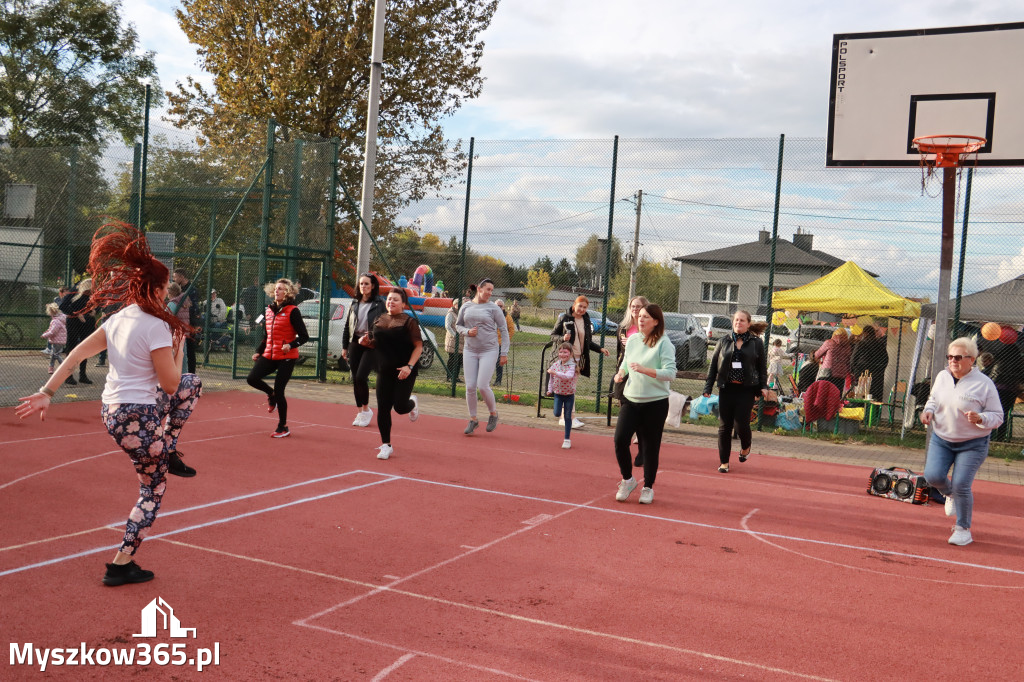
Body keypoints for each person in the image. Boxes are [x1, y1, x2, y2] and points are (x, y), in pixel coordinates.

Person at [16, 220, 202, 586]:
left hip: (113, 414)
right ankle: (120, 564)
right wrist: (178, 347)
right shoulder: (158, 326)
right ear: (162, 288)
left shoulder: (118, 318)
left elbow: (73, 355)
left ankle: (170, 450)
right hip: (142, 417)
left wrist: (47, 392)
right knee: (154, 487)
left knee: (183, 397)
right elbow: (170, 382)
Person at [921, 337, 1003, 546]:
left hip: (973, 443)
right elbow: (934, 398)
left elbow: (998, 416)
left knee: (961, 484)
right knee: (932, 476)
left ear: (972, 360)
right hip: (942, 438)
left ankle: (963, 529)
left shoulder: (984, 384)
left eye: (958, 357)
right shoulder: (942, 376)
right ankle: (950, 495)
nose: (952, 361)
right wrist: (928, 411)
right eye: (950, 357)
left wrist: (981, 418)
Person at [612, 303, 676, 505]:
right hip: (631, 399)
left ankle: (648, 487)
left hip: (655, 403)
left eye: (646, 317)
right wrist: (621, 373)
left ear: (656, 321)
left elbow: (670, 374)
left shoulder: (664, 343)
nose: (641, 319)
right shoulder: (632, 339)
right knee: (620, 439)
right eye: (639, 316)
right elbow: (626, 361)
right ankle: (628, 479)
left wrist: (644, 369)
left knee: (650, 447)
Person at [703, 310, 769, 473]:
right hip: (726, 388)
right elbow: (713, 367)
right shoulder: (723, 341)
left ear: (748, 323)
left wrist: (763, 386)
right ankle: (724, 462)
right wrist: (708, 387)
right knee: (724, 426)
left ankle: (746, 446)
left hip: (746, 389)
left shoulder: (756, 343)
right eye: (736, 320)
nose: (738, 323)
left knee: (741, 425)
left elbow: (762, 368)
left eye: (742, 321)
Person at [363, 287, 422, 460]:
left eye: (395, 299)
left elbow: (419, 347)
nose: (391, 302)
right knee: (383, 408)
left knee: (400, 407)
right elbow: (375, 342)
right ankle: (386, 445)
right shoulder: (379, 319)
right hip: (384, 369)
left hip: (404, 370)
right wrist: (366, 342)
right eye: (389, 299)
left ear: (403, 304)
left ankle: (412, 403)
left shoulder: (409, 322)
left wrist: (409, 367)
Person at [247, 278, 309, 438]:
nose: (277, 291)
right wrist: (259, 351)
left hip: (287, 356)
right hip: (270, 353)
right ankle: (270, 394)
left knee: (280, 390)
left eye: (281, 289)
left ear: (287, 293)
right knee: (252, 378)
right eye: (276, 288)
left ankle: (283, 426)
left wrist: (291, 344)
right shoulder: (268, 310)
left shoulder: (293, 311)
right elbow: (267, 335)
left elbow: (304, 336)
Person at [455, 278, 509, 434]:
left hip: (489, 350)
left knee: (482, 385)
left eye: (492, 290)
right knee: (470, 386)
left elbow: (503, 330)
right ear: (479, 289)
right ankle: (473, 419)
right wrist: (467, 332)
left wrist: (503, 352)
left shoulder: (494, 308)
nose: (490, 293)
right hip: (470, 350)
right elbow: (458, 325)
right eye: (488, 289)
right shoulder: (465, 306)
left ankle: (493, 413)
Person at [550, 295, 611, 429]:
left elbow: (587, 341)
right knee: (568, 388)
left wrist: (600, 349)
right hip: (566, 359)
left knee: (570, 388)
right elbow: (553, 335)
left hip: (579, 359)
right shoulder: (564, 318)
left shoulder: (585, 319)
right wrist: (562, 338)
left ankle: (565, 417)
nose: (582, 309)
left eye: (584, 307)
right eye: (580, 306)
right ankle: (569, 417)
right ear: (574, 305)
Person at [341, 273, 386, 427]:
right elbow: (347, 325)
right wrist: (344, 346)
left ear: (373, 286)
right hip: (355, 342)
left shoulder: (380, 303)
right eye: (361, 284)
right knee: (355, 378)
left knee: (361, 377)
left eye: (367, 284)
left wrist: (373, 336)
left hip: (371, 344)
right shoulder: (354, 303)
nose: (363, 287)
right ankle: (360, 411)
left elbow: (385, 324)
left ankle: (367, 410)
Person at [615, 296, 650, 461]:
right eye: (633, 306)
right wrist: (620, 371)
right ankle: (626, 435)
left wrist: (633, 342)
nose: (635, 309)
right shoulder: (623, 328)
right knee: (625, 407)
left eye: (639, 307)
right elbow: (621, 353)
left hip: (641, 373)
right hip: (625, 371)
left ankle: (642, 447)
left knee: (640, 411)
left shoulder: (647, 326)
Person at [976, 336, 1023, 441]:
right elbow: (1021, 376)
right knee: (1004, 414)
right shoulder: (1018, 362)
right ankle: (1000, 438)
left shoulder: (998, 360)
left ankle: (990, 436)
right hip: (1011, 390)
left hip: (997, 388)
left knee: (992, 411)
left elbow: (990, 374)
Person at [58, 278, 95, 385]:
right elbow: (62, 306)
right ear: (85, 288)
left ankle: (82, 375)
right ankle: (68, 376)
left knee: (85, 348)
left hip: (87, 322)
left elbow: (98, 304)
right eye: (89, 291)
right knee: (71, 348)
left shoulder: (93, 292)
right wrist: (76, 314)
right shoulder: (75, 291)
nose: (91, 294)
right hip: (74, 322)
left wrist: (93, 311)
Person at [546, 342, 579, 449]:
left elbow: (568, 376)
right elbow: (551, 379)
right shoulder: (555, 365)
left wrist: (556, 373)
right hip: (558, 394)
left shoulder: (572, 366)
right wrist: (549, 390)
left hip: (569, 395)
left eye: (565, 352)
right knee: (556, 413)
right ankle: (561, 410)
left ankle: (567, 439)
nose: (563, 354)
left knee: (568, 417)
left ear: (570, 354)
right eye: (560, 352)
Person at [172, 269, 201, 373]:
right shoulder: (178, 288)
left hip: (190, 324)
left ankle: (191, 374)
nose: (174, 279)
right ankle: (179, 372)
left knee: (190, 350)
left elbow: (194, 307)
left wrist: (185, 306)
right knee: (179, 350)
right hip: (179, 323)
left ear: (182, 277)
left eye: (175, 277)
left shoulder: (192, 289)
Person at [850, 325, 889, 398]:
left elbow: (853, 359)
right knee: (874, 396)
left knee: (861, 394)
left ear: (866, 333)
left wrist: (854, 371)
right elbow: (886, 359)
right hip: (877, 375)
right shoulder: (880, 344)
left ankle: (860, 408)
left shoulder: (861, 343)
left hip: (862, 373)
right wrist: (880, 369)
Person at [814, 327, 852, 395]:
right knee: (836, 396)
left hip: (828, 372)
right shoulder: (848, 346)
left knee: (823, 394)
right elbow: (848, 361)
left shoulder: (829, 342)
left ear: (834, 334)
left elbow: (817, 355)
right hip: (841, 375)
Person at [492, 299, 516, 386]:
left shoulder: (507, 317)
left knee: (499, 363)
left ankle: (498, 380)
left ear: (503, 307)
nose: (498, 307)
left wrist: (504, 340)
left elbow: (511, 330)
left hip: (500, 343)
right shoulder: (490, 314)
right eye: (497, 306)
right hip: (489, 343)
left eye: (500, 306)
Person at [40, 302, 66, 375]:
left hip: (57, 340)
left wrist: (44, 335)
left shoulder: (55, 321)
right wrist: (48, 331)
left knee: (56, 354)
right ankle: (51, 367)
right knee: (53, 354)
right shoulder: (62, 317)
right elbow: (51, 330)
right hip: (60, 340)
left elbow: (53, 332)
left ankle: (64, 366)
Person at [444, 298, 462, 383]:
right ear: (454, 305)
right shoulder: (450, 314)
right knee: (452, 359)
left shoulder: (461, 314)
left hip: (461, 341)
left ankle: (456, 377)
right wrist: (455, 335)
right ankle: (449, 376)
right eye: (458, 304)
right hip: (453, 339)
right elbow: (448, 326)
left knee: (459, 359)